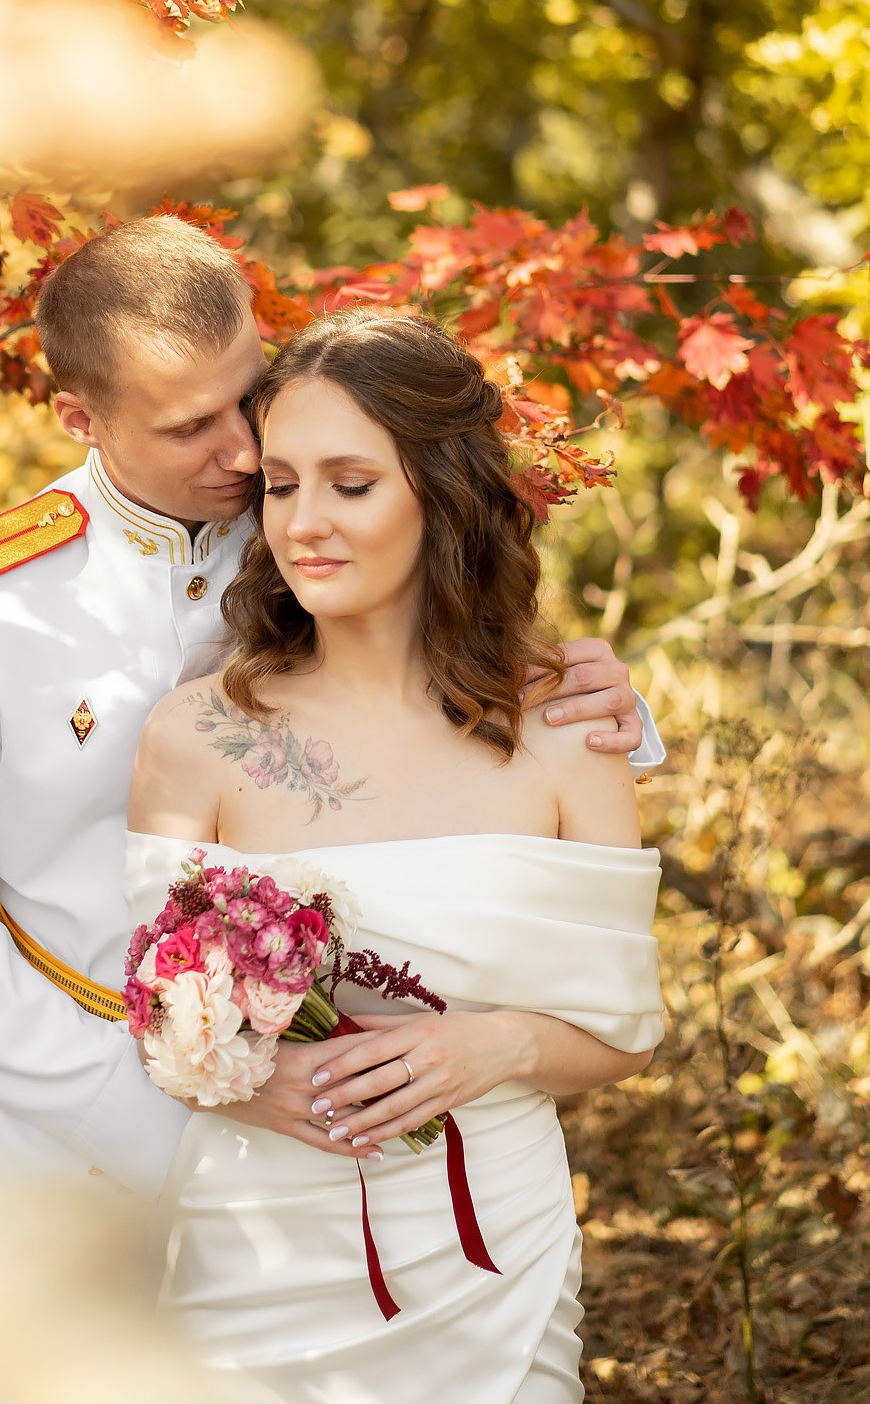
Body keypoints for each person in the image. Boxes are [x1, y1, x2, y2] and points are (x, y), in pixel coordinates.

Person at [0, 221, 662, 1340]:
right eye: (190, 425)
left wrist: (609, 710)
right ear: (80, 419)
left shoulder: (310, 512)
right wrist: (171, 1095)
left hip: (347, 1169)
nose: (242, 450)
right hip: (43, 1143)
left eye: (249, 397)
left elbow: (454, 664)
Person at [126, 307, 664, 1403]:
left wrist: (498, 1044)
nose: (303, 521)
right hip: (253, 1250)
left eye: (350, 482)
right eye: (280, 483)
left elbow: (625, 1033)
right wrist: (233, 1075)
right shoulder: (198, 735)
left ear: (441, 491)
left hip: (489, 1255)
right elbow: (144, 1008)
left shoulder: (569, 730)